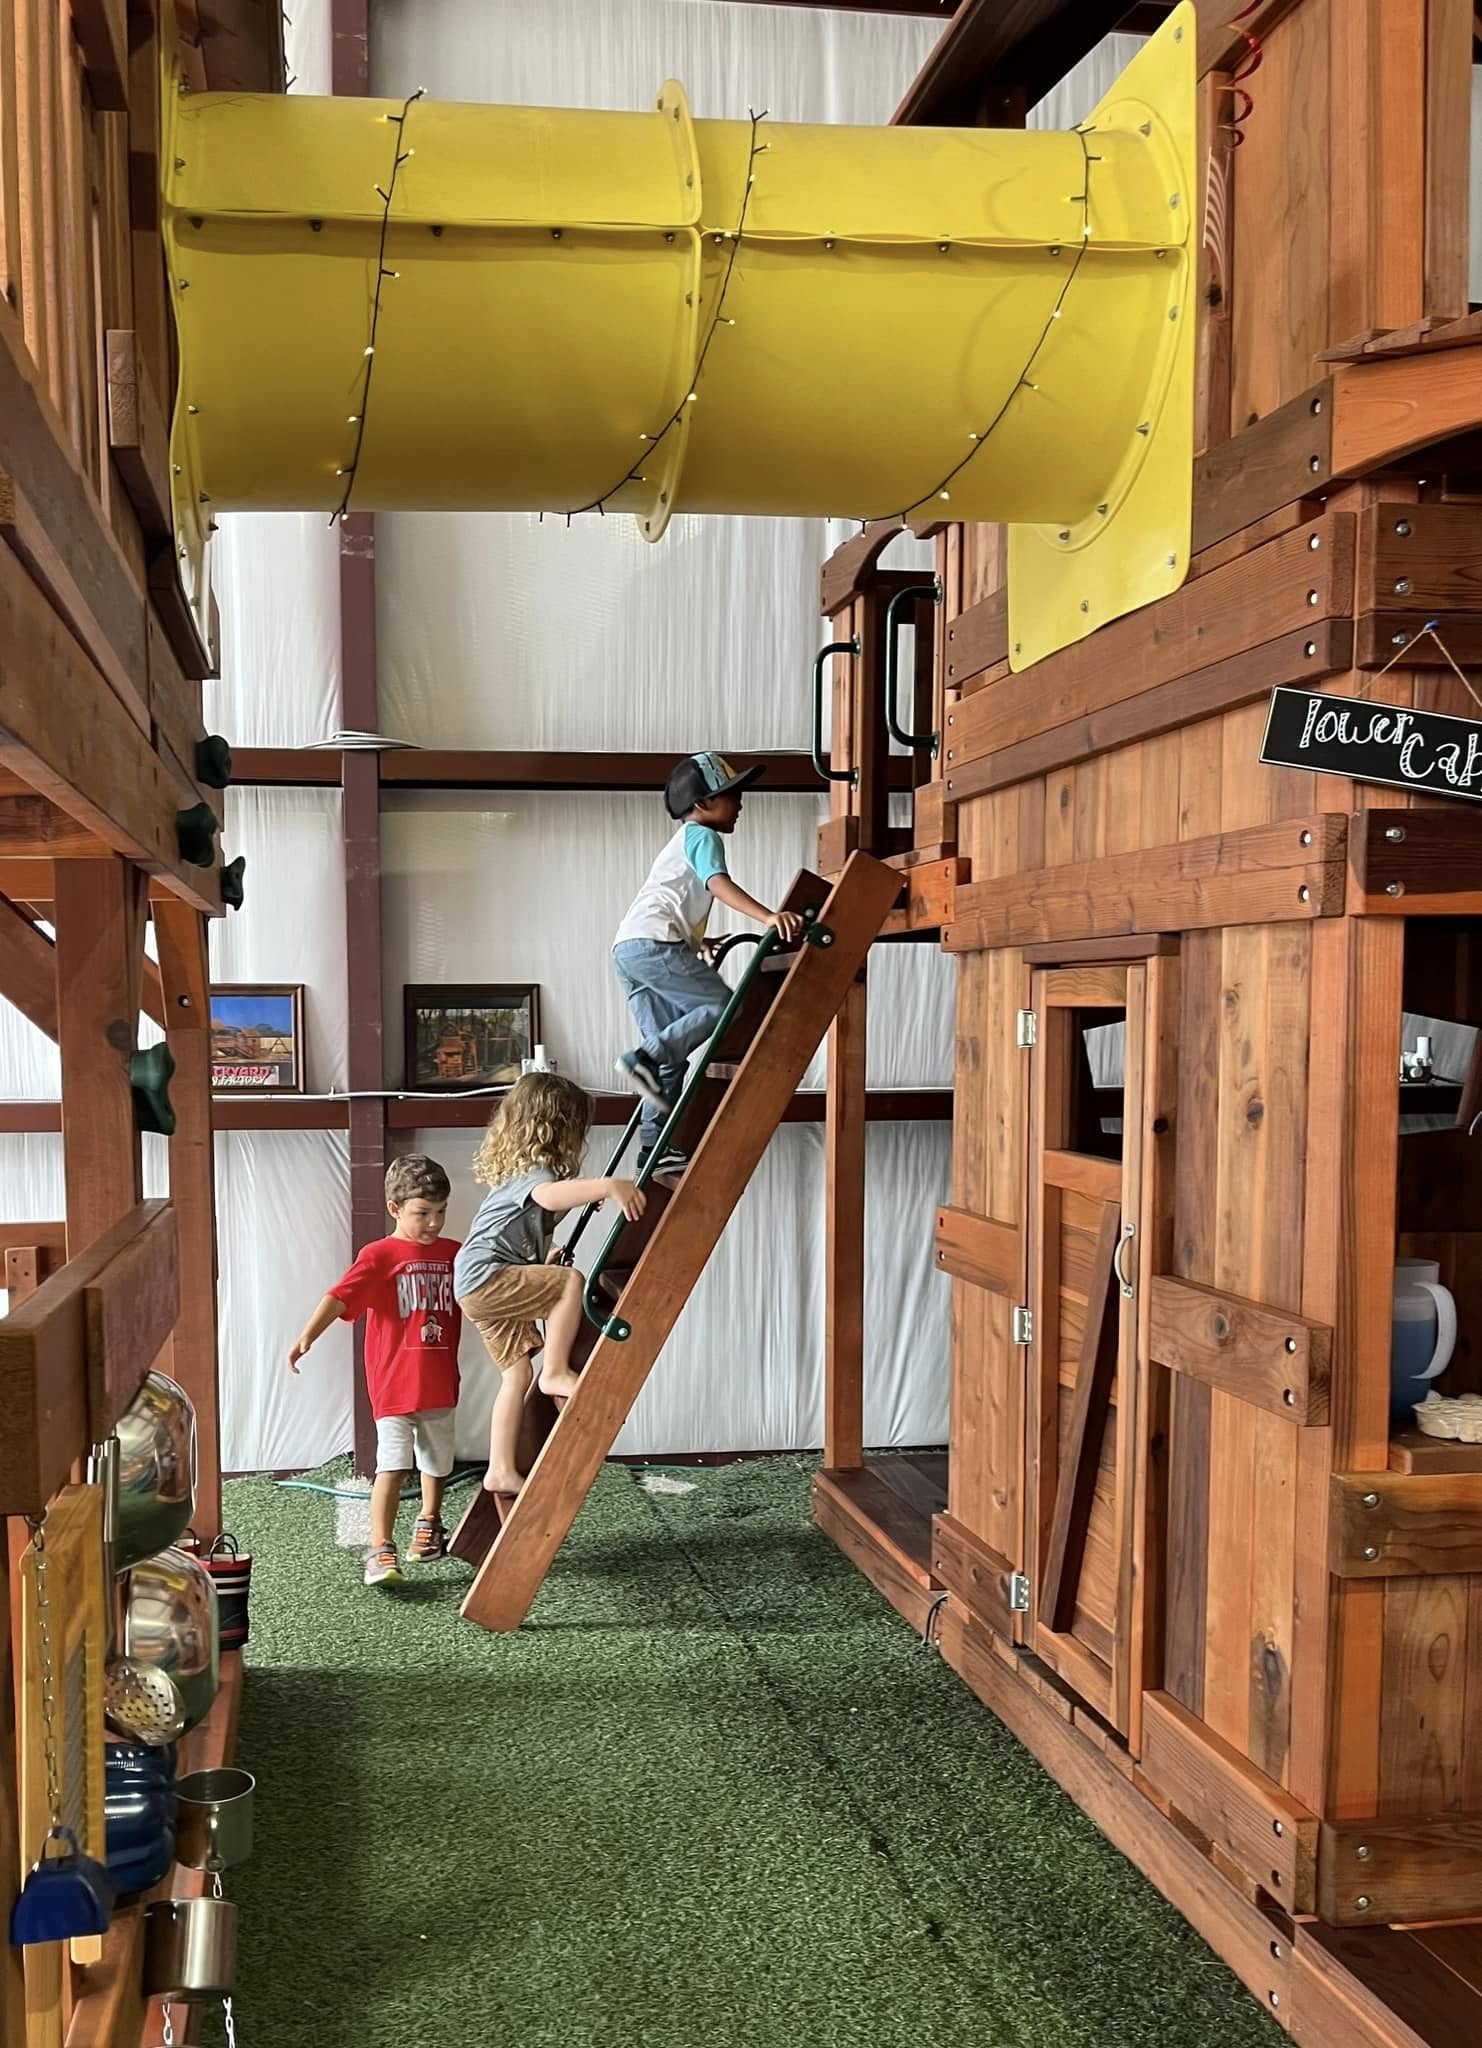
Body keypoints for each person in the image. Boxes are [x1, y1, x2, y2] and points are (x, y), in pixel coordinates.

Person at [455, 1073, 646, 1498]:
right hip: (487, 1277)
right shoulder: (535, 1173)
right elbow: (547, 1197)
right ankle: (556, 1372)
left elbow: (527, 1222)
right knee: (568, 1285)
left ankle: (500, 1470)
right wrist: (608, 1185)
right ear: (558, 1127)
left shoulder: (517, 1172)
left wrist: (544, 1257)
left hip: (476, 1282)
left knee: (516, 1374)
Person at [612, 751, 803, 1170]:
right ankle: (642, 1057)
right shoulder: (701, 835)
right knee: (720, 1007)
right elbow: (716, 884)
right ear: (700, 806)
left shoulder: (680, 843)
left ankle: (654, 1149)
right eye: (730, 795)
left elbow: (669, 899)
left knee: (672, 1058)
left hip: (631, 948)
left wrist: (698, 942)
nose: (740, 803)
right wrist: (769, 916)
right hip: (653, 943)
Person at [289, 1155, 462, 1587]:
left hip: (439, 1380)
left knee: (438, 1461)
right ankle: (380, 1548)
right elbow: (340, 1294)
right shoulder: (380, 1254)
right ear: (395, 1209)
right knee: (393, 1463)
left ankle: (429, 1523)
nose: (434, 1223)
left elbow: (491, 1283)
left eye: (440, 1212)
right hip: (393, 1383)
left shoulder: (455, 1254)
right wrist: (308, 1335)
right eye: (423, 1213)